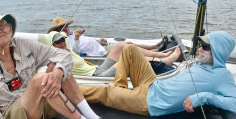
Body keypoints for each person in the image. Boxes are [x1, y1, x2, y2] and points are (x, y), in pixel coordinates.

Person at [79, 31, 236, 117]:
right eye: (200, 44)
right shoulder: (200, 63)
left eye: (206, 47)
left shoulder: (222, 76)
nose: (200, 48)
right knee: (128, 49)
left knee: (104, 92)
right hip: (152, 84)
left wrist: (204, 97)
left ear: (219, 51)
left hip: (149, 102)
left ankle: (64, 90)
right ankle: (119, 88)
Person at [46, 31, 181, 77]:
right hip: (97, 77)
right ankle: (165, 61)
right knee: (128, 55)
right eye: (57, 41)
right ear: (52, 45)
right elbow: (49, 73)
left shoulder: (68, 49)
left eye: (62, 39)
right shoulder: (57, 58)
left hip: (98, 69)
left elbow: (75, 49)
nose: (62, 42)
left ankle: (162, 55)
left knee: (121, 46)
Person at [47, 16, 169, 58]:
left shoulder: (74, 34)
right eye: (61, 28)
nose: (65, 29)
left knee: (130, 44)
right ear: (58, 31)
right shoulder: (64, 41)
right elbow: (75, 53)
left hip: (102, 46)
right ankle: (156, 52)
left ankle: (153, 47)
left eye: (66, 26)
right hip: (101, 53)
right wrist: (78, 39)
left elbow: (87, 41)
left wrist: (98, 41)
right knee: (128, 49)